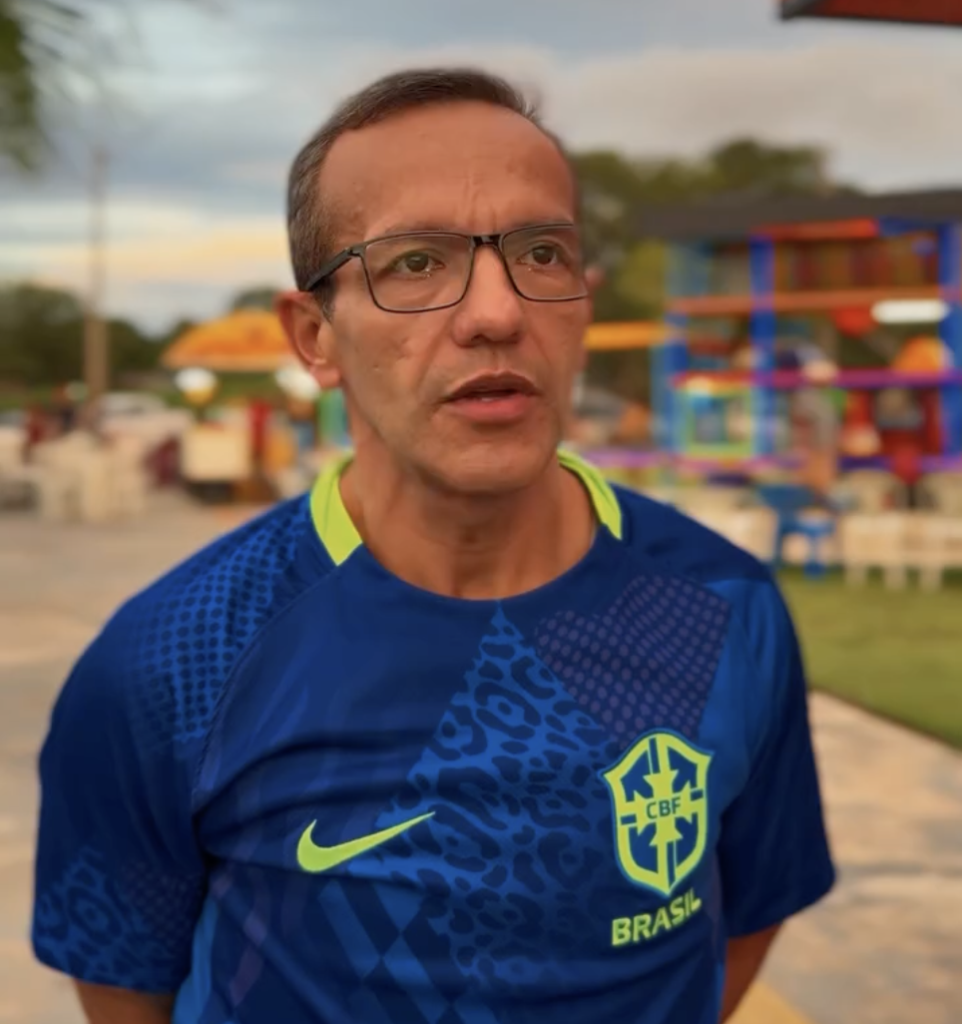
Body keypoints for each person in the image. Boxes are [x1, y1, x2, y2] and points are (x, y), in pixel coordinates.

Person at [32, 68, 835, 1024]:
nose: (497, 313)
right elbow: (126, 988)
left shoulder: (724, 604)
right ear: (315, 337)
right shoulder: (172, 657)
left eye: (542, 252)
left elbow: (746, 916)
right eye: (415, 262)